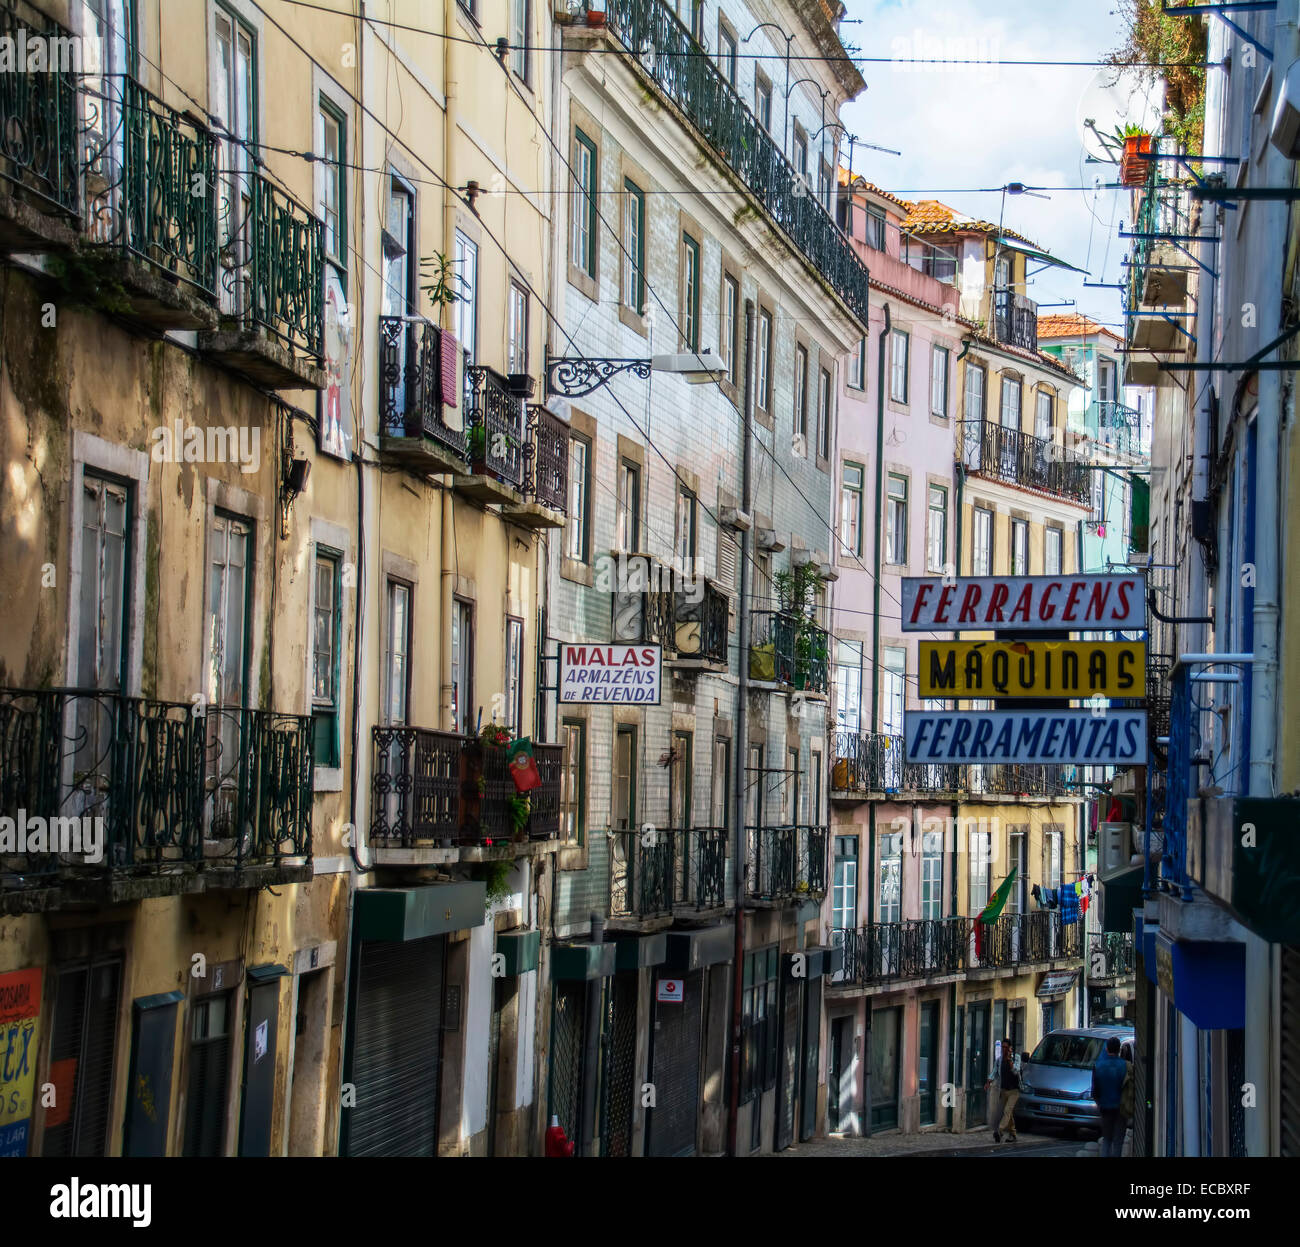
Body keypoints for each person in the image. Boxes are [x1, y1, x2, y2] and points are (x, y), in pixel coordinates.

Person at [1091, 1036, 1128, 1157]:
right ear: (1119, 1050)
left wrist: (1099, 1103)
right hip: (1121, 1108)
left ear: (1107, 1049)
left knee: (1106, 1139)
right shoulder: (1125, 1066)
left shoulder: (1098, 1066)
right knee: (1118, 1141)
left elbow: (1094, 1090)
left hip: (1105, 1107)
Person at [990, 1041, 1020, 1142]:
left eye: (1006, 1047)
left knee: (1007, 1110)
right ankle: (1013, 1134)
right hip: (1003, 1090)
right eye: (1002, 1047)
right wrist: (989, 1081)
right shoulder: (999, 1060)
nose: (1004, 1049)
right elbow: (995, 1071)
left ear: (1010, 1048)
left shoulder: (1016, 1058)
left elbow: (1016, 1071)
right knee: (1008, 1112)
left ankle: (999, 1131)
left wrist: (1010, 1060)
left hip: (1014, 1091)